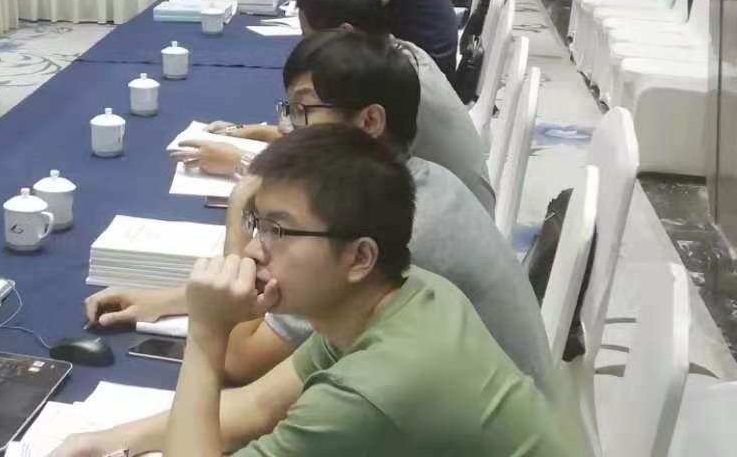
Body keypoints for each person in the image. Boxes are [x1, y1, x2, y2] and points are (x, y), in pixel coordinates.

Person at [82, 32, 549, 399]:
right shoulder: (414, 179)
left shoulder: (386, 230)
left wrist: (241, 212)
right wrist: (170, 300)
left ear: (370, 121)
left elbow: (239, 360)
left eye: (303, 110)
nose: (287, 127)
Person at [61, 127, 565, 457]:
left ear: (359, 257)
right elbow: (258, 406)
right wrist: (111, 440)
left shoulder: (375, 388)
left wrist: (207, 334)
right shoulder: (394, 294)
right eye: (258, 225)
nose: (253, 250)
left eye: (278, 231)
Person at [178, 0, 493, 214]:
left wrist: (242, 164)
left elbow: (331, 181)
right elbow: (326, 138)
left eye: (309, 37)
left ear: (344, 32)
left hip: (432, 219)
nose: (306, 47)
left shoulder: (385, 83)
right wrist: (244, 132)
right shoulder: (393, 53)